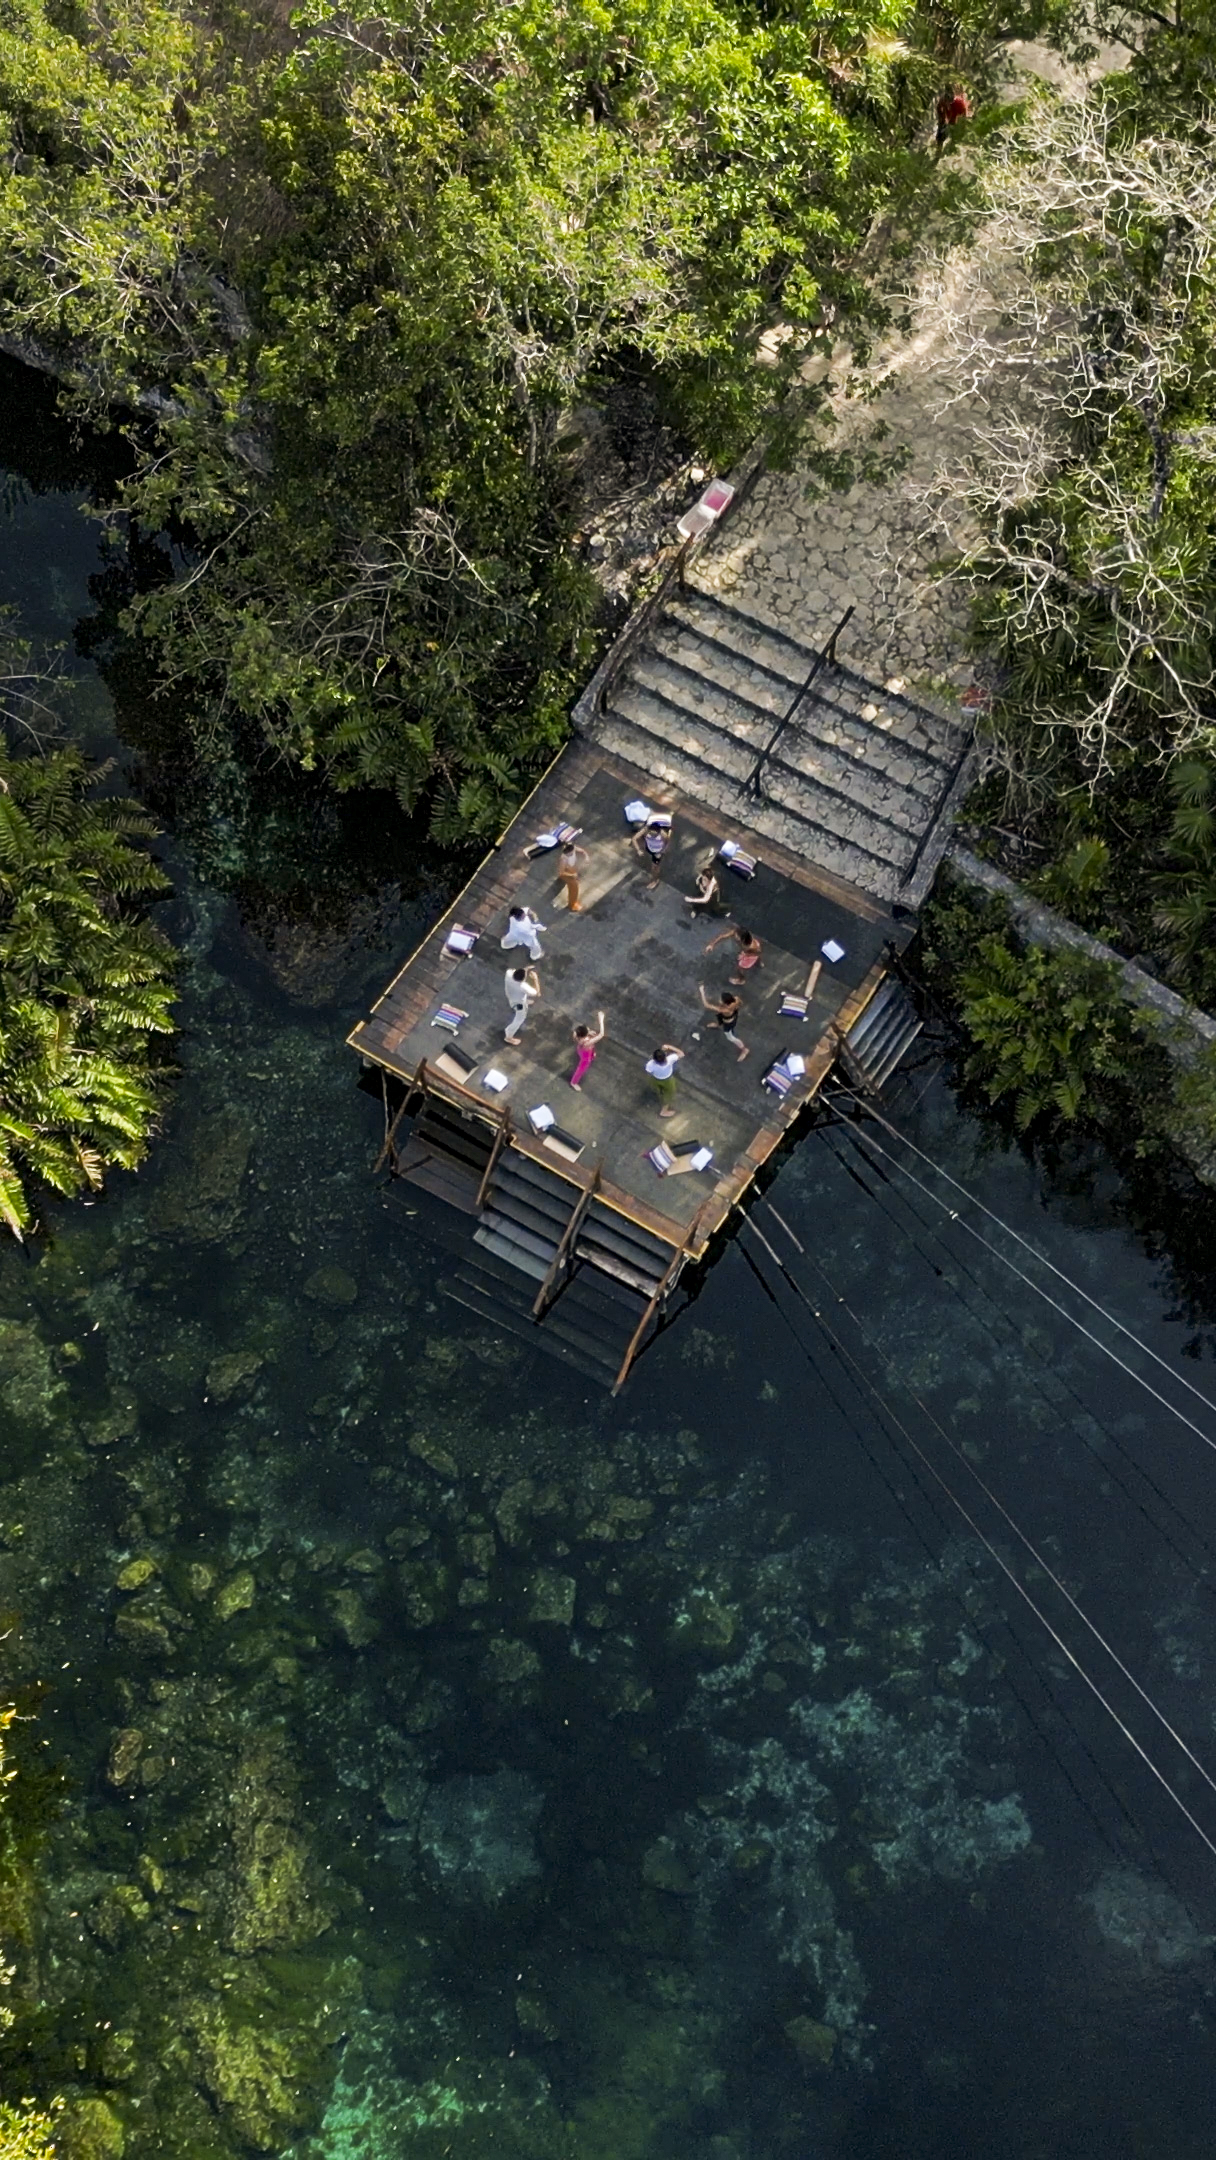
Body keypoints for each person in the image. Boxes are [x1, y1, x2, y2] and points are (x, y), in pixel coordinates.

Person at [698, 983, 750, 1062]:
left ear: (726, 1003)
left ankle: (744, 1049)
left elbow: (707, 1005)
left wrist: (702, 992)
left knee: (730, 1037)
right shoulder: (735, 999)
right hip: (730, 1016)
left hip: (728, 1024)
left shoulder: (725, 1009)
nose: (720, 1000)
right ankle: (717, 1024)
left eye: (722, 1000)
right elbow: (739, 1002)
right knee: (720, 1018)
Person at [644, 1043, 684, 1117]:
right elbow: (681, 1054)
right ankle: (663, 1111)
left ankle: (659, 1093)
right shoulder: (670, 1060)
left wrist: (662, 1050)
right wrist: (669, 1047)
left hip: (655, 1079)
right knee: (668, 1094)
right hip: (667, 1080)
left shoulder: (650, 1064)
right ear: (665, 1057)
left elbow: (648, 1071)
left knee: (658, 1090)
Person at [503, 965, 540, 1044]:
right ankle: (508, 1036)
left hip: (511, 996)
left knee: (517, 998)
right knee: (520, 1018)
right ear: (523, 979)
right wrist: (535, 979)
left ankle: (525, 1001)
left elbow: (515, 971)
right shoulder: (523, 986)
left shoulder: (508, 973)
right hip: (519, 1004)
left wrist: (526, 969)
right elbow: (536, 993)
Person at [569, 1011, 606, 1090]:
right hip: (585, 1056)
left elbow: (582, 1033)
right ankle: (573, 1082)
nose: (589, 1030)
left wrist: (588, 1032)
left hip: (582, 1050)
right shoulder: (587, 1043)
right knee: (581, 1069)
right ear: (584, 1035)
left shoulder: (576, 1034)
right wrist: (601, 1020)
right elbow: (601, 1034)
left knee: (591, 1051)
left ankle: (592, 1055)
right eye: (587, 1030)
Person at [554, 837, 590, 914]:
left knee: (576, 874)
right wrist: (572, 875)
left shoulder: (573, 848)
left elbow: (582, 851)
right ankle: (572, 904)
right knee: (574, 886)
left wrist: (586, 857)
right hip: (566, 872)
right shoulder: (563, 859)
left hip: (572, 868)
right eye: (568, 853)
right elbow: (561, 872)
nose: (570, 854)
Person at [633, 815, 671, 886]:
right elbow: (634, 838)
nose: (653, 835)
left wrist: (663, 851)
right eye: (651, 833)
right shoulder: (645, 830)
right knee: (653, 864)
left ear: (658, 831)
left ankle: (655, 880)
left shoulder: (662, 834)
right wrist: (638, 850)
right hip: (649, 847)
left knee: (654, 868)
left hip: (657, 852)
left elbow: (667, 842)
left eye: (655, 834)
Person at [935, 84, 969, 148]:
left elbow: (964, 117)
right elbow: (939, 108)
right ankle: (939, 148)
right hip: (948, 122)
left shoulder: (959, 103)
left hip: (956, 123)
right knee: (941, 134)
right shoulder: (943, 100)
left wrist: (961, 126)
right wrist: (942, 119)